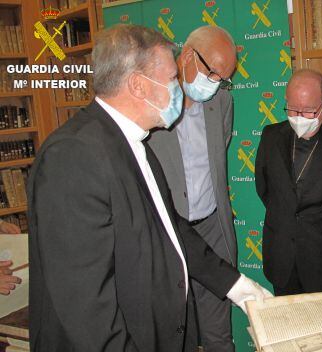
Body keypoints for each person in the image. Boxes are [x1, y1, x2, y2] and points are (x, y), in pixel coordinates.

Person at [27, 24, 271, 352]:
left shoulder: (136, 144)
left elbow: (172, 229)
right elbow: (86, 307)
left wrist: (240, 288)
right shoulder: (72, 156)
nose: (178, 89)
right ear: (139, 86)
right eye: (172, 78)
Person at [147, 25, 237, 352]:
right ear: (186, 55)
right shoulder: (151, 105)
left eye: (222, 79)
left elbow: (217, 159)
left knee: (218, 334)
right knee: (174, 334)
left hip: (212, 230)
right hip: (167, 235)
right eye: (211, 73)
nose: (214, 85)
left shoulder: (221, 103)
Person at [255, 69, 322, 310]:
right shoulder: (270, 136)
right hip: (282, 260)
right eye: (292, 109)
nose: (299, 117)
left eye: (308, 111)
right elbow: (265, 189)